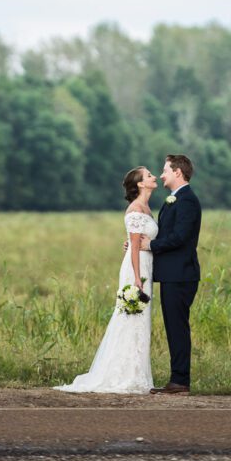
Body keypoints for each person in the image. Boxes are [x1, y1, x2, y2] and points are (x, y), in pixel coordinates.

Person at [54, 166, 158, 394]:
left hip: (146, 266)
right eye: (149, 175)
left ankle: (137, 373)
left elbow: (136, 240)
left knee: (141, 322)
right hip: (136, 270)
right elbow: (133, 249)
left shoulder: (146, 208)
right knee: (132, 319)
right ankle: (124, 375)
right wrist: (138, 280)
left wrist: (131, 244)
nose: (154, 177)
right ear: (140, 184)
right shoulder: (135, 209)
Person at [139, 154, 201, 395]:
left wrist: (151, 246)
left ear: (178, 172)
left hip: (181, 275)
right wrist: (138, 243)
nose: (161, 174)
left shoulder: (186, 200)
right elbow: (167, 232)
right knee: (174, 326)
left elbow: (180, 237)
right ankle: (178, 379)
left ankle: (180, 380)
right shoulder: (176, 199)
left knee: (177, 327)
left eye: (165, 170)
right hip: (174, 274)